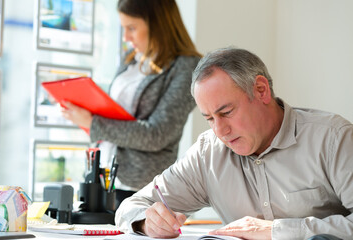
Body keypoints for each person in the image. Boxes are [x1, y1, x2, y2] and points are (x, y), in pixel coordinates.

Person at [114, 47, 353, 240]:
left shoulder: (333, 138)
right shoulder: (207, 154)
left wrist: (276, 231)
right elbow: (131, 206)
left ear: (261, 90)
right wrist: (148, 221)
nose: (220, 131)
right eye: (209, 118)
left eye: (226, 112)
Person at [61, 0, 201, 208]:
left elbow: (158, 134)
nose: (126, 38)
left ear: (158, 24)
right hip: (103, 179)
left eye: (132, 28)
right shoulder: (132, 59)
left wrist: (94, 124)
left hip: (140, 190)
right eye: (123, 28)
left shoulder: (187, 67)